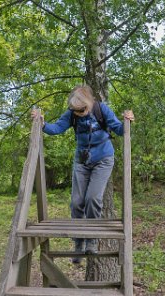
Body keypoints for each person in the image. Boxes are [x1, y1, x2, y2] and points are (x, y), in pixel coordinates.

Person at [31, 85, 134, 264]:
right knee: (77, 202)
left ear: (88, 103)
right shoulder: (72, 113)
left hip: (103, 158)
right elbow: (56, 129)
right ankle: (78, 244)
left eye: (81, 110)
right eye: (75, 111)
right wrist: (42, 123)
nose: (79, 113)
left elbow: (118, 129)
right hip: (82, 160)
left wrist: (127, 121)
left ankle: (92, 241)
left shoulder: (102, 109)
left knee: (93, 198)